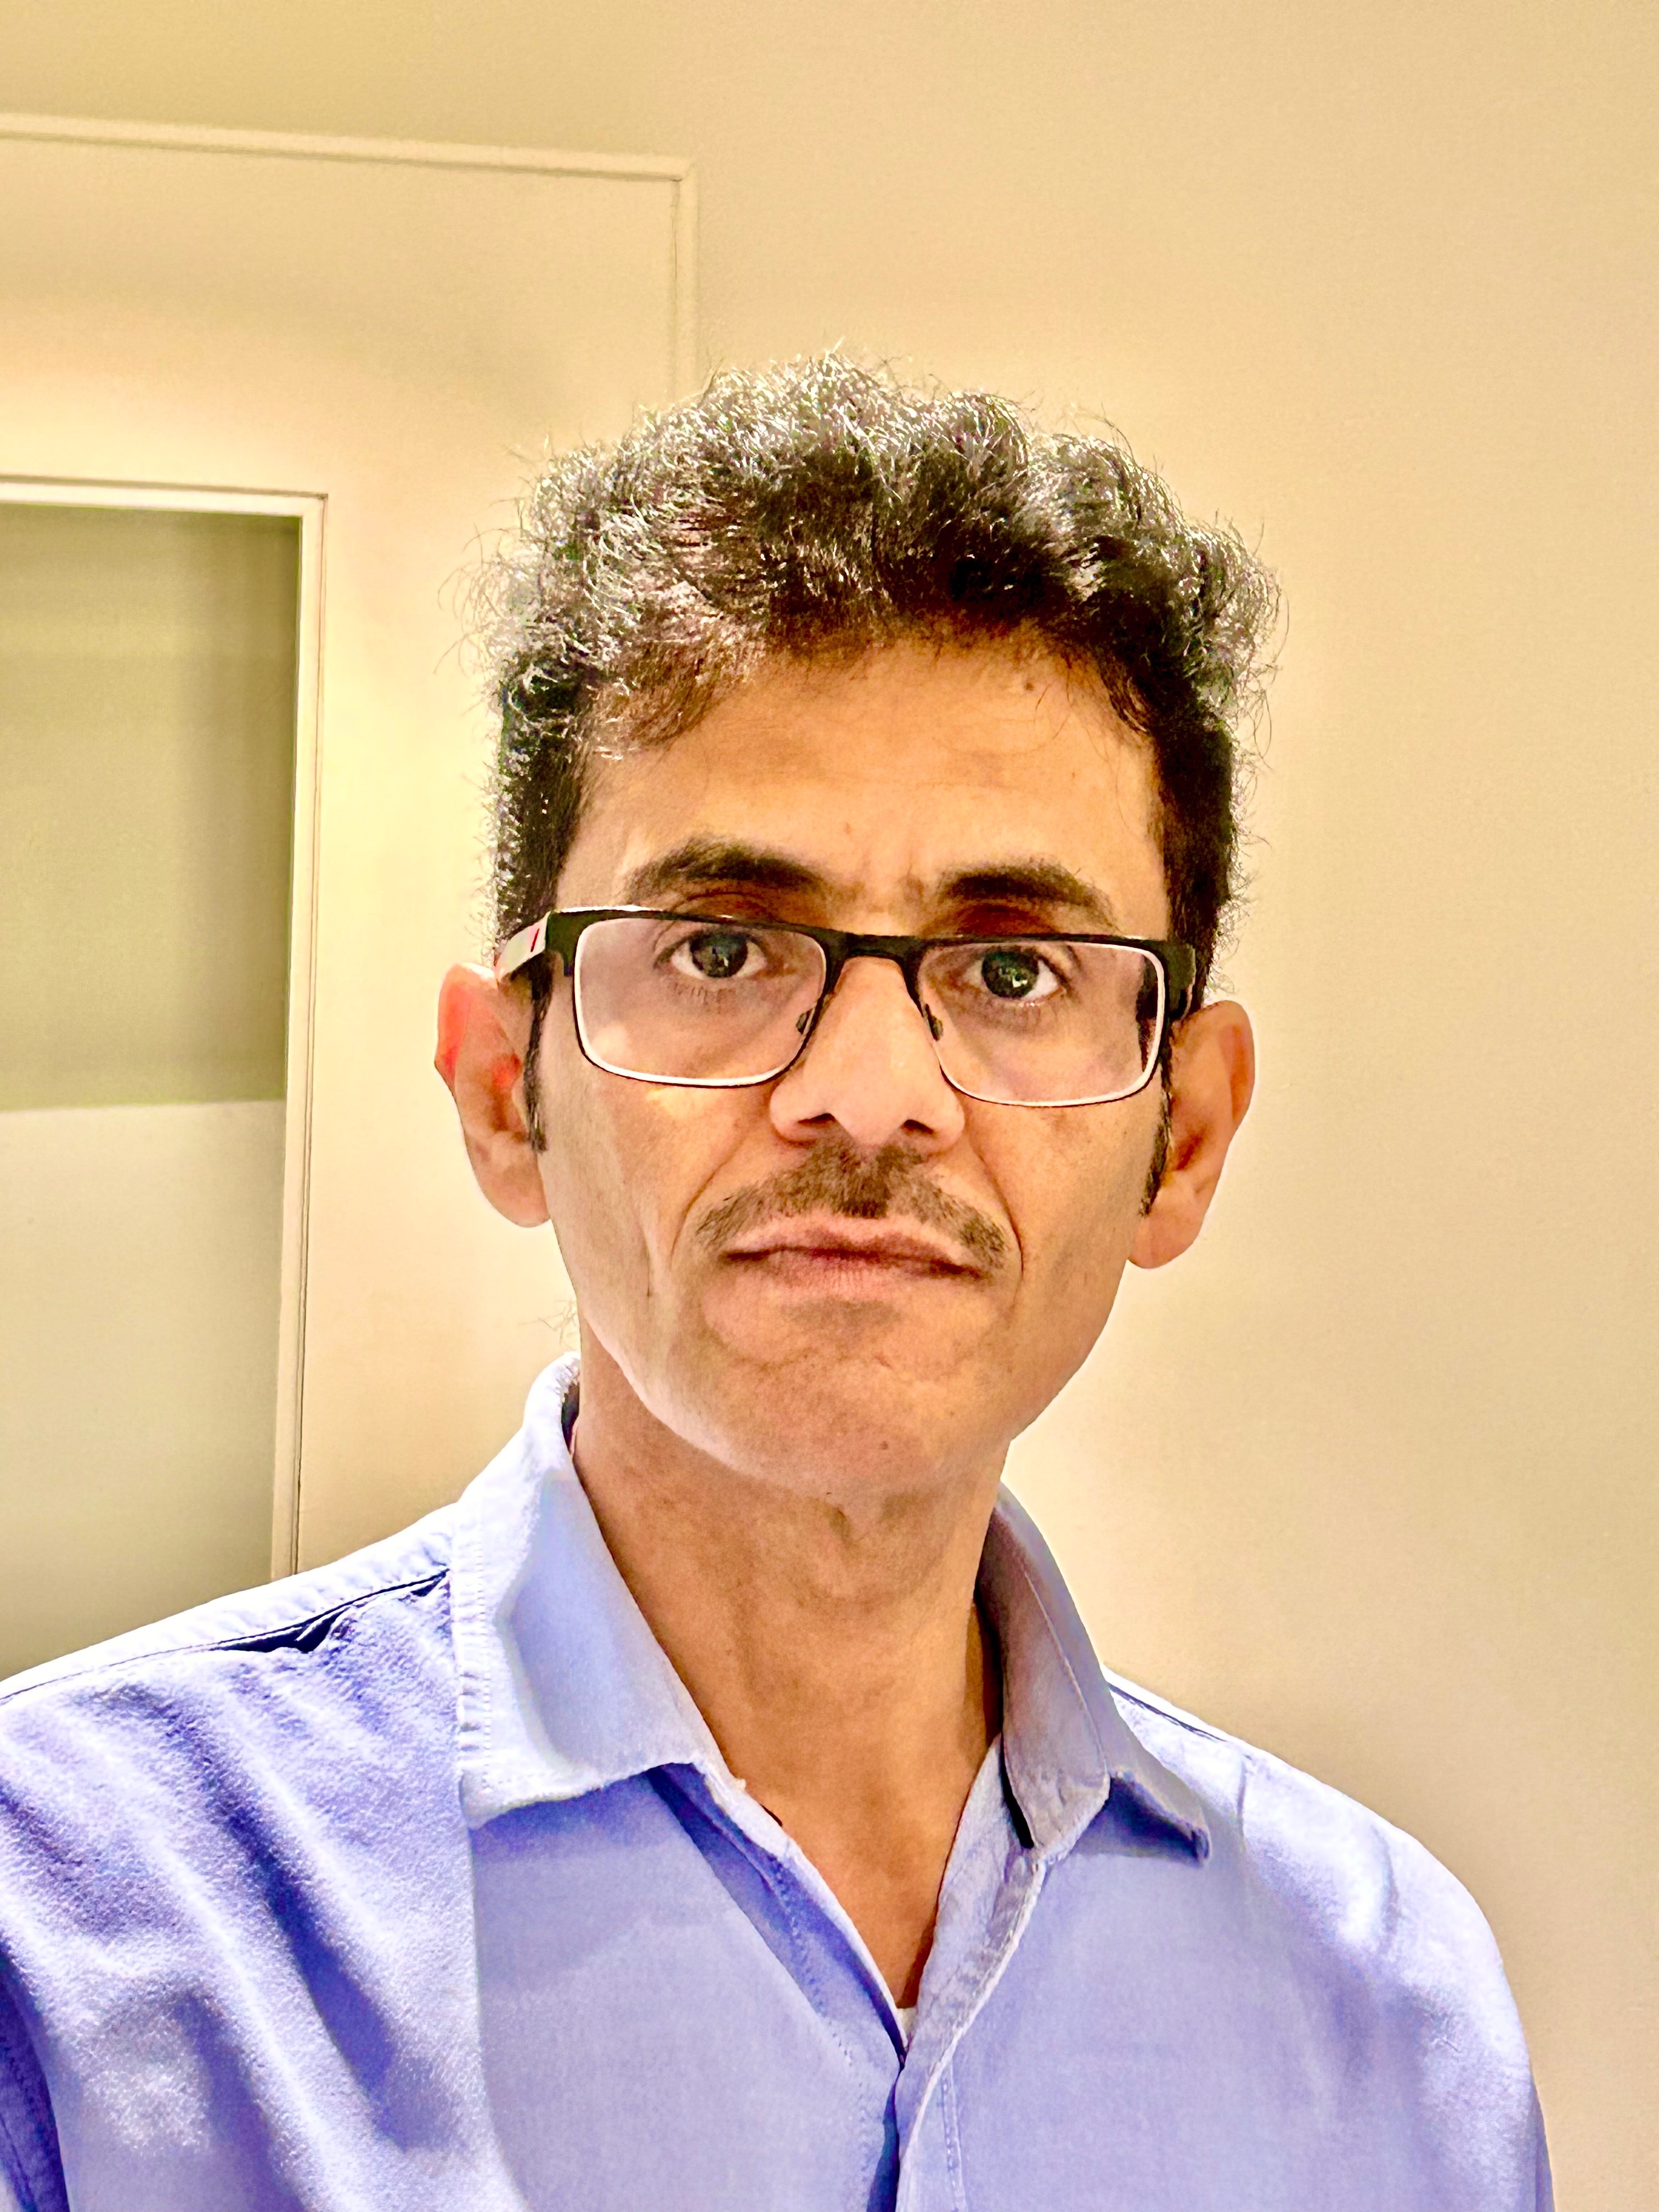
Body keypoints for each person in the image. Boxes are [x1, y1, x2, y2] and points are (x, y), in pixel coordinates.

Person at [0, 357, 1550, 2211]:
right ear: (503, 1091)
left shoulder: (1384, 2011)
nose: (871, 1093)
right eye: (725, 949)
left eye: (1015, 971)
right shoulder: (66, 1932)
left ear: (1187, 1136)